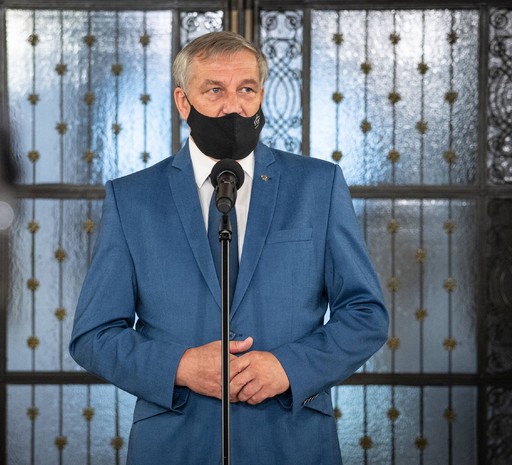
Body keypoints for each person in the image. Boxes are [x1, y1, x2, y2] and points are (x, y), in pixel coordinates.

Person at [69, 31, 389, 464]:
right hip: (175, 446)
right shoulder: (132, 199)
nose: (233, 107)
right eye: (215, 90)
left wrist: (289, 368)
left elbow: (366, 314)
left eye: (247, 90)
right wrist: (180, 367)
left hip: (293, 443)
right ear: (183, 102)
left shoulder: (319, 185)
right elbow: (94, 335)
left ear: (261, 96)